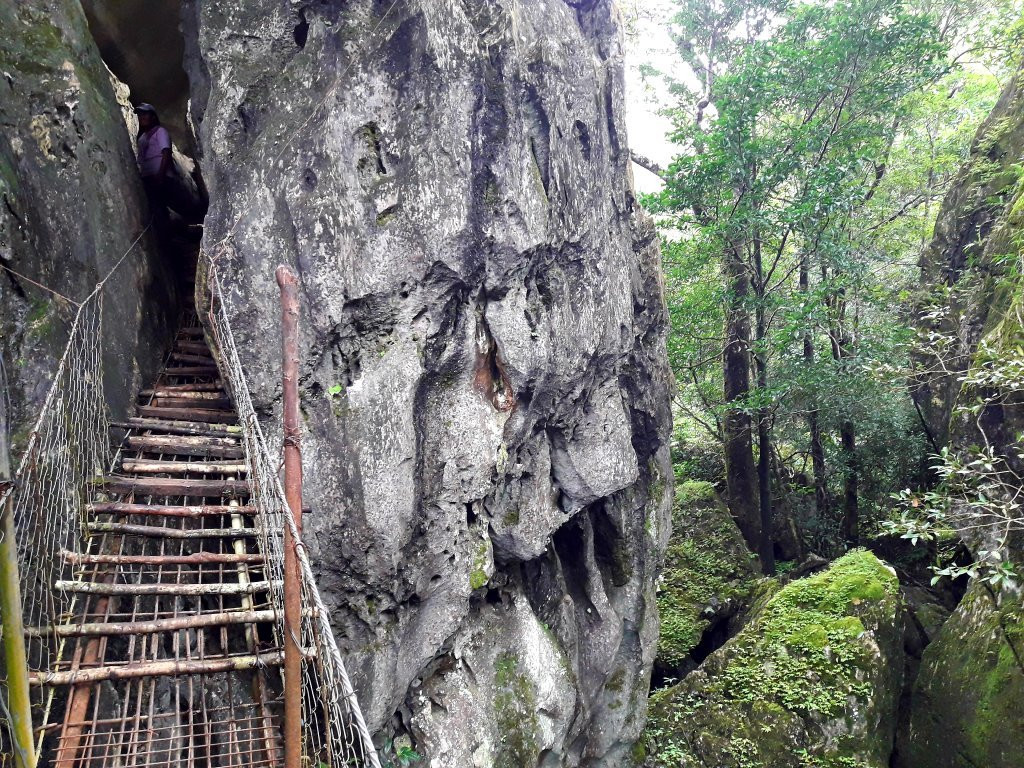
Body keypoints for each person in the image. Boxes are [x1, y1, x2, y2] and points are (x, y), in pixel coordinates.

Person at [134, 103, 172, 226]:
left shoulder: (160, 132)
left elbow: (166, 152)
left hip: (160, 175)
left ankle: (168, 237)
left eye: (145, 114)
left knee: (160, 206)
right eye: (140, 115)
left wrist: (161, 175)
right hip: (148, 177)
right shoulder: (142, 138)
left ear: (153, 117)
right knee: (154, 208)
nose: (142, 117)